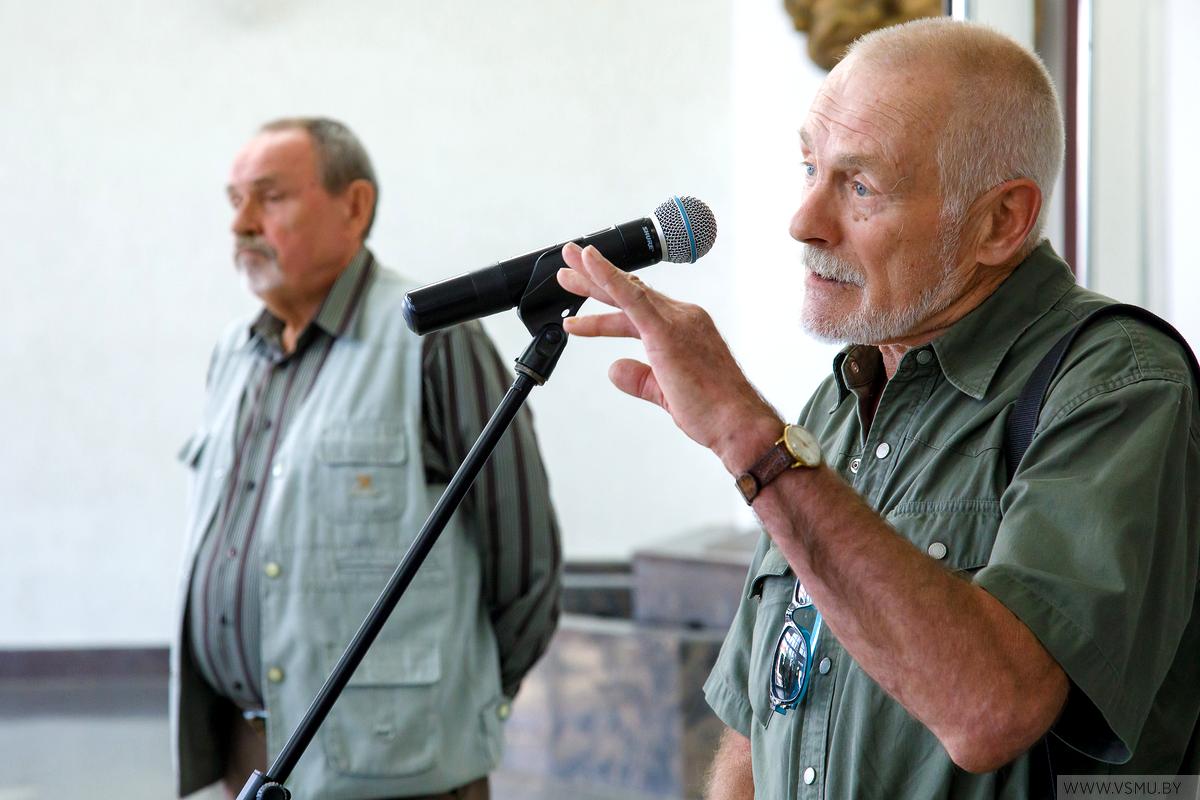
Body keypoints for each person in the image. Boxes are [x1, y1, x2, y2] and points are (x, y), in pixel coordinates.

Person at [556, 18, 1199, 800]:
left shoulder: (1119, 383)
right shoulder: (840, 397)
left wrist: (746, 435)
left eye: (860, 187)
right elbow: (759, 726)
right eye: (809, 168)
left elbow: (992, 712)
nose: (803, 221)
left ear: (1002, 221)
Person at [171, 117, 561, 800]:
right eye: (234, 201)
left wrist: (451, 699)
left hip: (401, 765)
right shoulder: (234, 352)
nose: (241, 224)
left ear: (353, 206)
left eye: (270, 197)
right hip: (249, 759)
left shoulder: (435, 340)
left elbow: (524, 564)